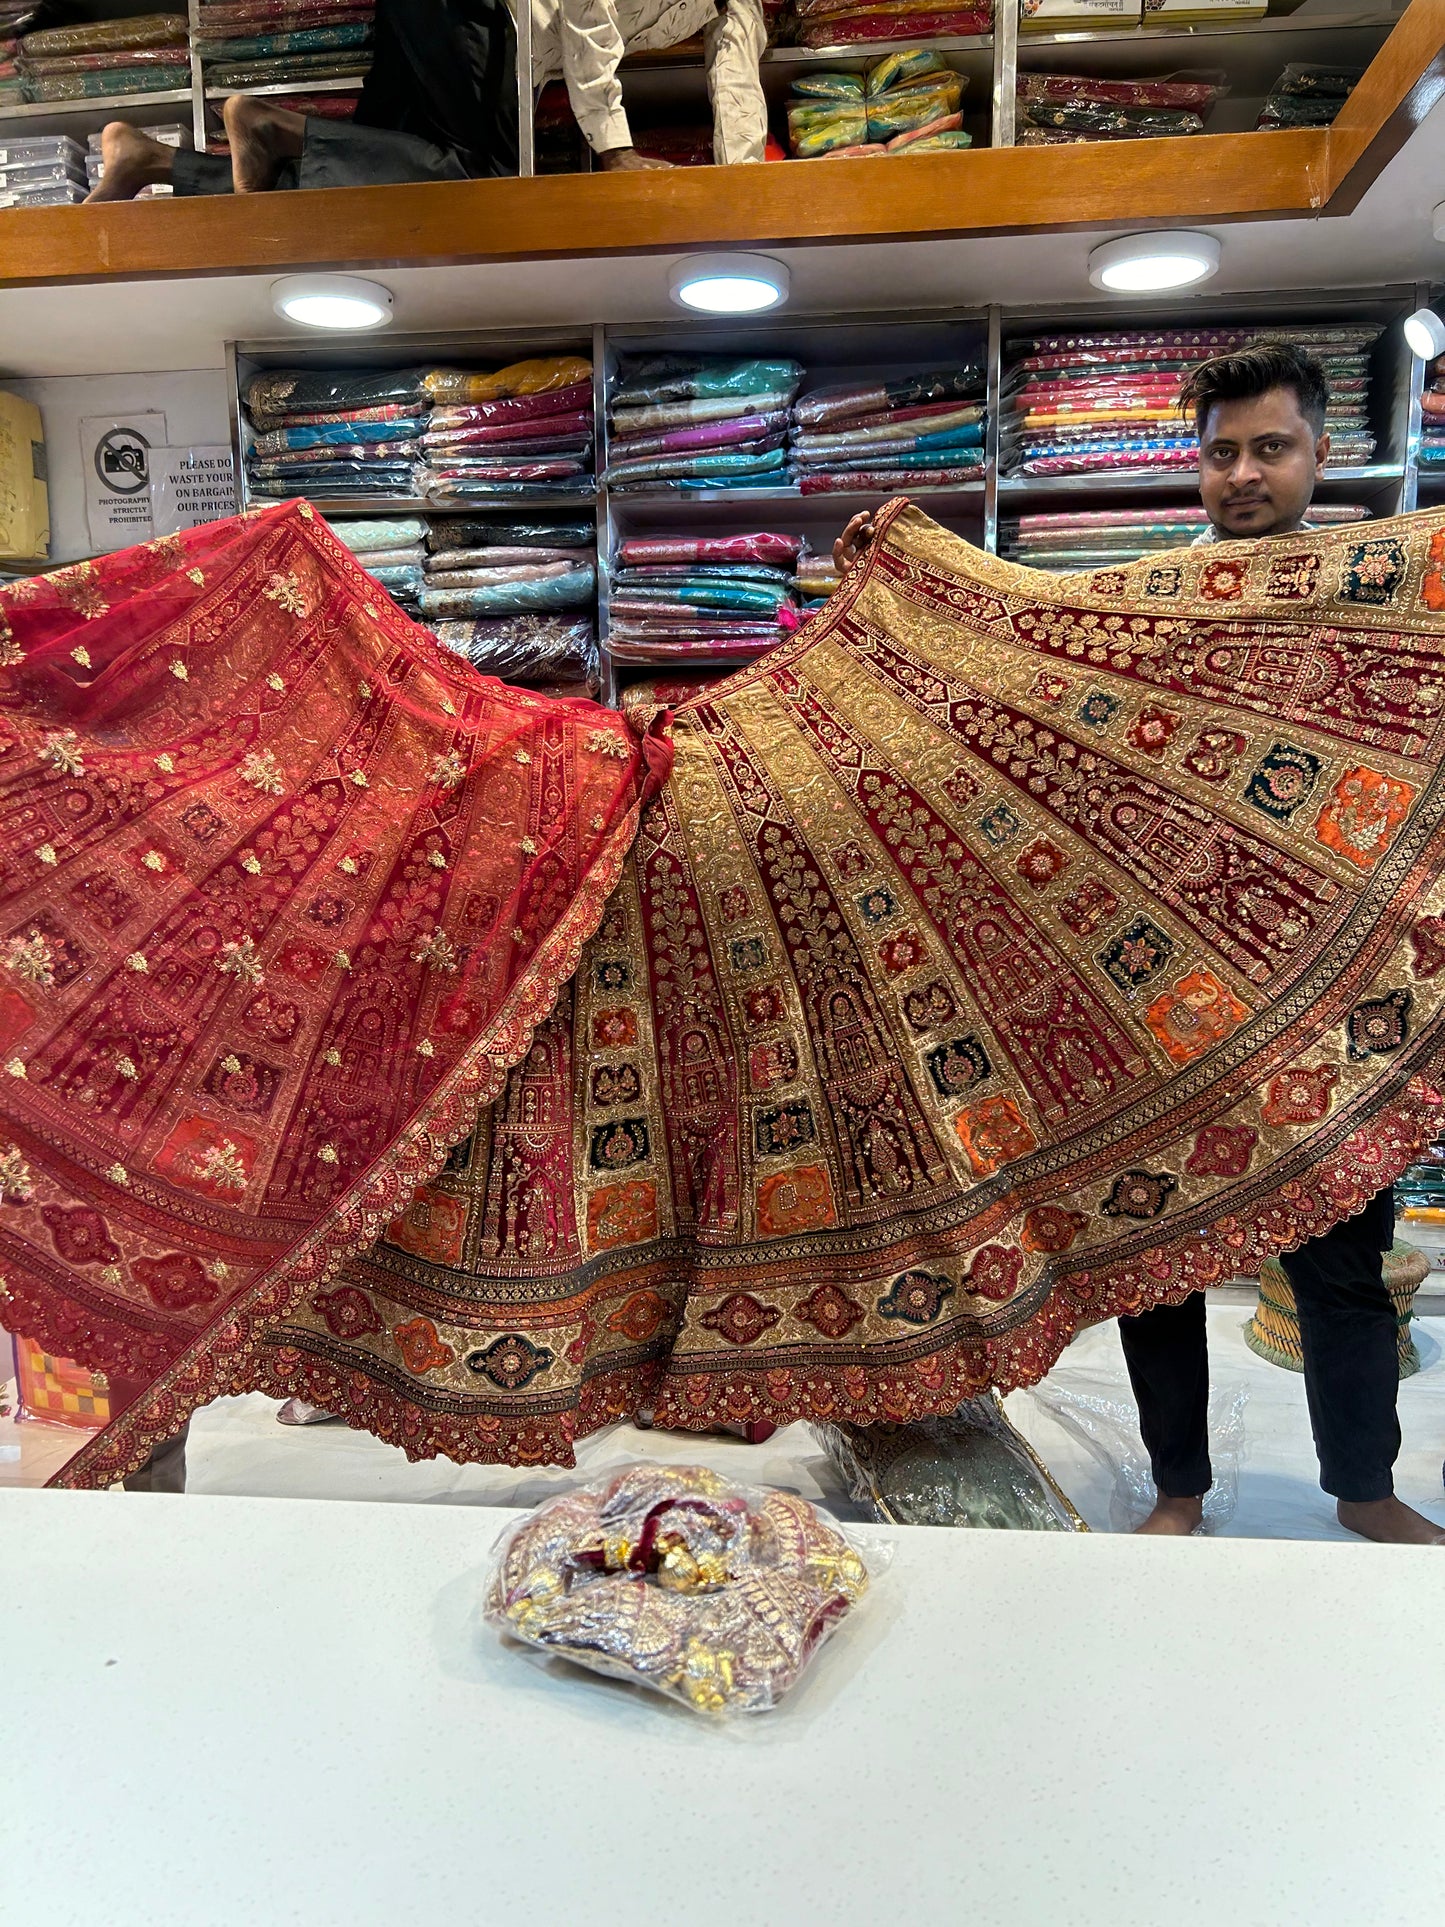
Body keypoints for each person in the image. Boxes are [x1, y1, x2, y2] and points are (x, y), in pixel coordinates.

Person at [1114, 340, 1439, 1545]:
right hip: (1160, 989)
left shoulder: (1381, 591)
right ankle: (1176, 1488)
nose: (1241, 473)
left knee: (1342, 1262)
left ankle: (1362, 1490)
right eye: (1219, 452)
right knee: (1154, 1260)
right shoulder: (1141, 607)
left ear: (1319, 454)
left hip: (1330, 990)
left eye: (1269, 448)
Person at [86, 0, 764, 202]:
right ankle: (266, 124)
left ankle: (150, 161)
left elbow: (736, 76)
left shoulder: (744, 6)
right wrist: (614, 148)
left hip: (456, 25)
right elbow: (585, 10)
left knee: (364, 193)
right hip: (473, 17)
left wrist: (746, 195)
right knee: (484, 190)